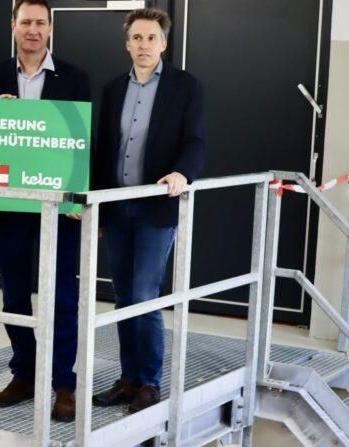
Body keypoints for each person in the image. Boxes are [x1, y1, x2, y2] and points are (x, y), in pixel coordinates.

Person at [91, 8, 206, 413]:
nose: (144, 45)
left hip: (156, 208)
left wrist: (182, 173)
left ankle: (150, 383)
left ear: (164, 43)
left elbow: (196, 141)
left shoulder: (185, 86)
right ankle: (128, 379)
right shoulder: (112, 89)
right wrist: (97, 207)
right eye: (137, 38)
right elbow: (102, 149)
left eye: (151, 38)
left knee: (144, 294)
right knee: (124, 297)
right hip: (116, 208)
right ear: (127, 44)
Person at [0, 0, 91, 422]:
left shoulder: (75, 77)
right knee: (13, 295)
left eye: (40, 23)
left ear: (50, 28)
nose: (32, 29)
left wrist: (78, 198)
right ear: (13, 26)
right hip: (8, 205)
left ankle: (63, 382)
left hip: (58, 207)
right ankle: (24, 373)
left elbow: (83, 144)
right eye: (25, 22)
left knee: (62, 296)